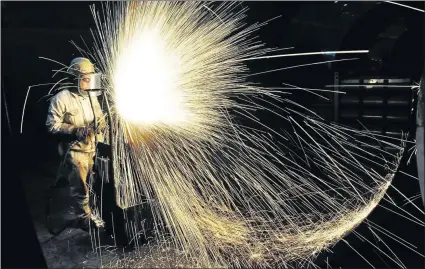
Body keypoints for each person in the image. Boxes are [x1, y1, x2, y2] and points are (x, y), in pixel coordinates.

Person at [46, 57, 106, 230]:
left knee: (95, 182)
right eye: (85, 79)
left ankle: (95, 211)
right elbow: (51, 125)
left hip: (94, 148)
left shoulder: (91, 97)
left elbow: (100, 117)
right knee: (80, 188)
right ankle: (84, 218)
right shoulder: (61, 99)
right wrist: (73, 129)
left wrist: (101, 124)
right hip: (75, 152)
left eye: (90, 79)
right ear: (75, 78)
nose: (89, 83)